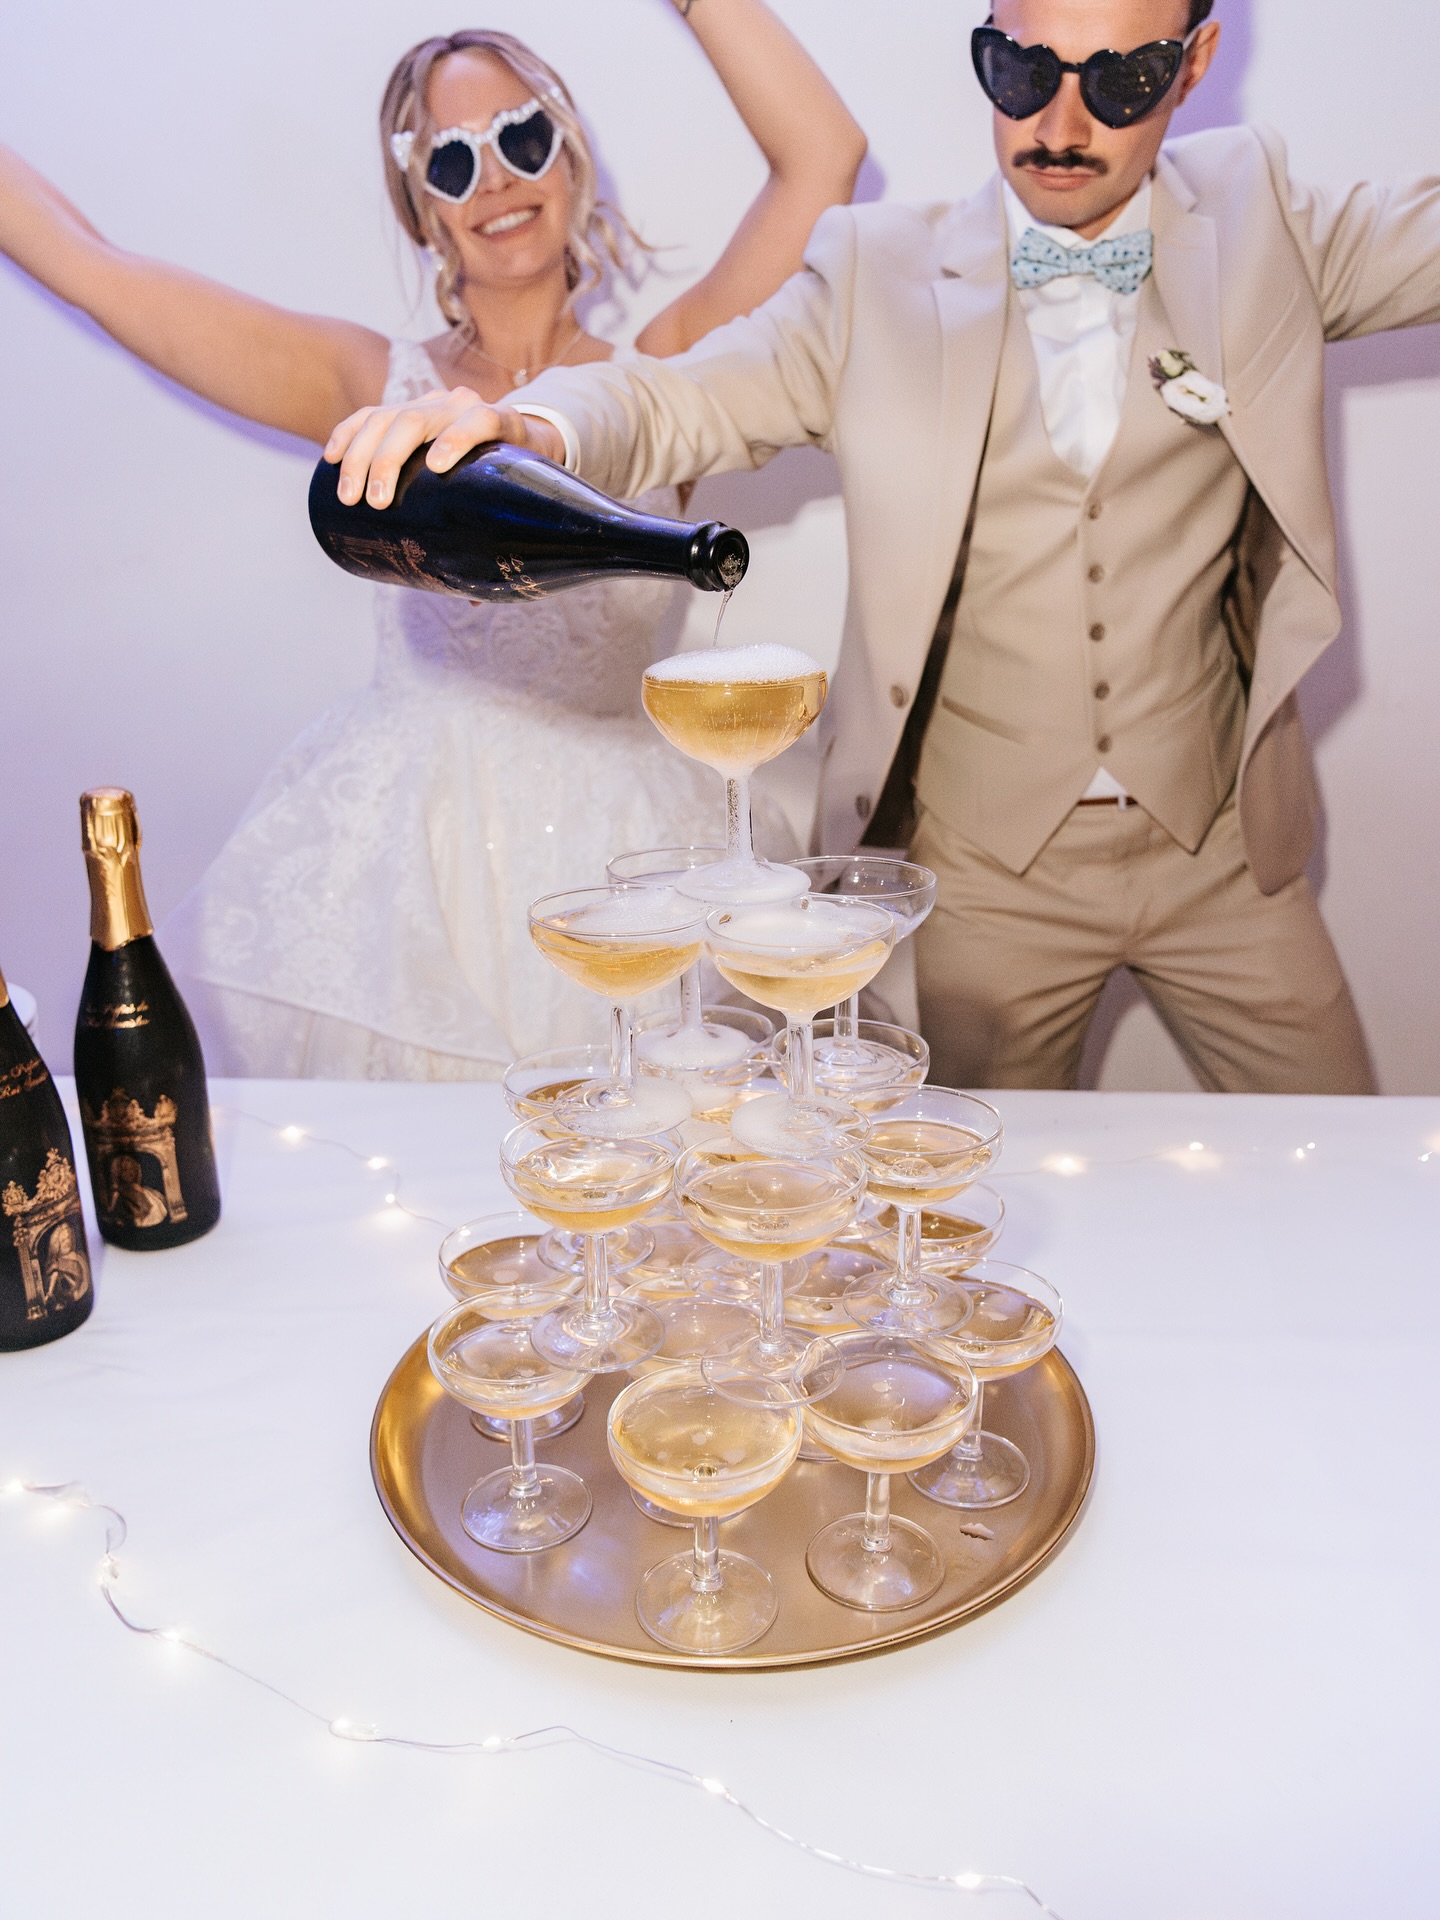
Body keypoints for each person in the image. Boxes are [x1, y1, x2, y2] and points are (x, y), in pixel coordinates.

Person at [336, 0, 1440, 1094]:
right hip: (982, 877)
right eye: (1020, 72)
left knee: (1352, 1182)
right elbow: (670, 399)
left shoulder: (1268, 222)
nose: (1058, 122)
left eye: (1118, 83)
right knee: (959, 1225)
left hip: (1227, 852)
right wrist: (527, 429)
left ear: (1193, 66)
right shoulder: (873, 277)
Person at [0, 6, 865, 1077]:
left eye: (523, 138)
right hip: (403, 872)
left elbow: (824, 157)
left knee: (634, 1166)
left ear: (573, 159)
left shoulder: (663, 380)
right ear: (423, 210)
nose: (496, 179)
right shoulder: (371, 386)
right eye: (453, 162)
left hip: (625, 860)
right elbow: (93, 267)